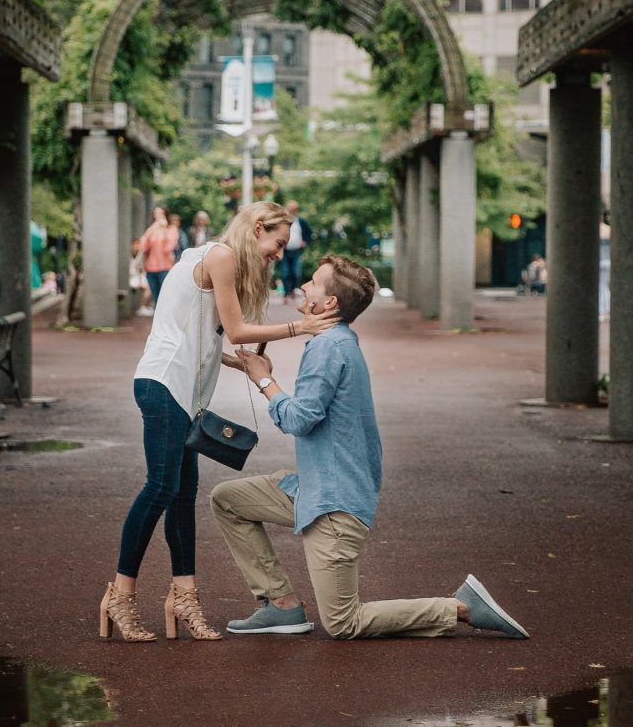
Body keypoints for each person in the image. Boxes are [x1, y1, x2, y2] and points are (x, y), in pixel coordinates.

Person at [211, 255, 529, 642]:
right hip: (313, 489)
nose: (305, 287)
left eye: (313, 283)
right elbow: (311, 411)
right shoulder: (338, 341)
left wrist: (264, 382)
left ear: (328, 304)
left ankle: (459, 608)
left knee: (344, 623)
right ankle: (280, 606)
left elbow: (298, 420)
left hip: (333, 504)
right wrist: (263, 376)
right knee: (228, 499)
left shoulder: (327, 347)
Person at [99, 202, 340, 645]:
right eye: (277, 243)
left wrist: (235, 362)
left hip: (179, 390)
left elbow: (201, 332)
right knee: (161, 487)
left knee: (181, 494)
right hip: (165, 384)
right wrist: (301, 327)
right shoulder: (220, 255)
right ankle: (120, 594)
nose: (279, 254)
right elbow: (236, 328)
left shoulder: (204, 257)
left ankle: (183, 595)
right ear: (257, 228)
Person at [140, 206, 178, 305]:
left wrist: (164, 230)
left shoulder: (171, 229)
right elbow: (143, 246)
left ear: (166, 215)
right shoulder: (152, 230)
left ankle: (166, 319)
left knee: (166, 297)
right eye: (156, 214)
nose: (158, 216)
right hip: (150, 268)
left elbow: (168, 248)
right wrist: (151, 230)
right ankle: (157, 320)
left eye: (161, 213)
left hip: (165, 267)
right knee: (156, 298)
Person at [279, 200, 312, 304]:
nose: (291, 210)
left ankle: (293, 291)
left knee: (296, 272)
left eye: (293, 209)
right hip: (285, 250)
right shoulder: (282, 221)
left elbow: (308, 232)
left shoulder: (301, 221)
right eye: (289, 208)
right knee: (285, 272)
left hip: (297, 251)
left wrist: (305, 242)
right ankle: (286, 293)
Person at [130, 238, 152, 317]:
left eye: (138, 244)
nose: (137, 246)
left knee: (149, 288)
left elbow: (140, 269)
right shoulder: (128, 254)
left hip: (138, 276)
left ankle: (145, 307)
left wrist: (140, 280)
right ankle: (142, 307)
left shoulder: (140, 254)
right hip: (131, 277)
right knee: (147, 288)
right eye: (135, 244)